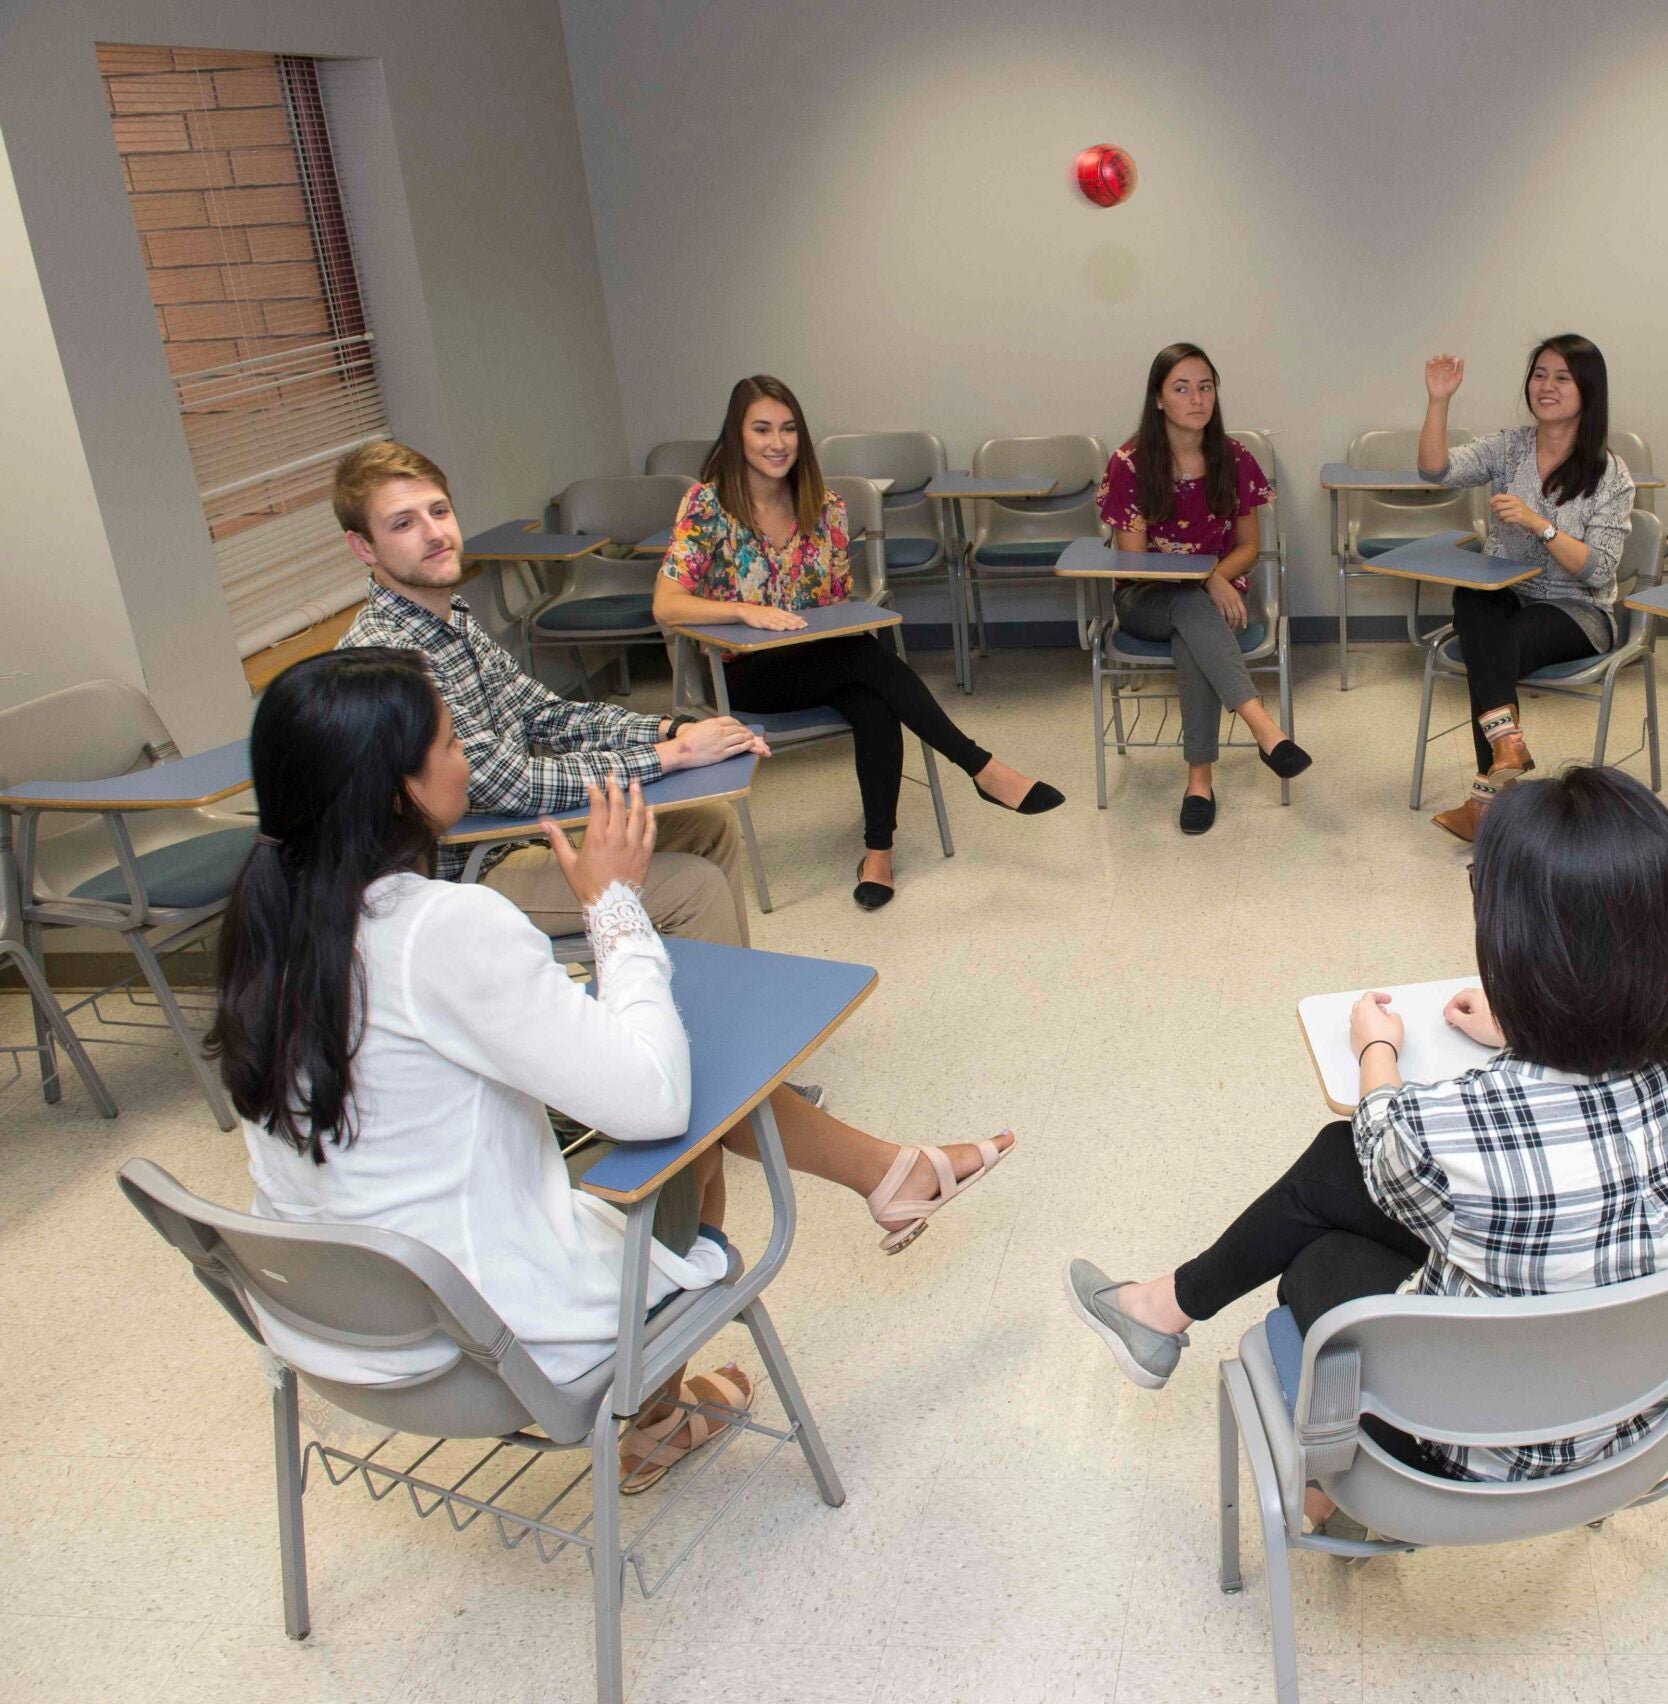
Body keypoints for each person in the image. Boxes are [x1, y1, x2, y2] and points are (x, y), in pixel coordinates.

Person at [212, 651, 1017, 1484]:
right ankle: (658, 1417)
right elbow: (656, 1103)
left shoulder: (266, 920)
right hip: (485, 1349)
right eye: (451, 746)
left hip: (332, 1335)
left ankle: (889, 1174)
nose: (465, 761)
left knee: (643, 1048)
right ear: (395, 790)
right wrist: (613, 907)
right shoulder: (441, 927)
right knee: (694, 1090)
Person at [1065, 767, 1668, 1515]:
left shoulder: (1461, 1128)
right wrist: (1536, 1023)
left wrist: (1376, 1048)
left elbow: (1381, 1136)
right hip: (1647, 1417)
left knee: (1319, 1249)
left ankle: (1319, 1480)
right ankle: (1163, 1308)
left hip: (1473, 1448)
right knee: (1336, 1167)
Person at [653, 375, 1062, 908]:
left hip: (825, 660)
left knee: (874, 698)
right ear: (736, 435)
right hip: (746, 674)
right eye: (761, 429)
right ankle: (981, 768)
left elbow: (839, 603)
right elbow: (666, 604)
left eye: (788, 429)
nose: (777, 443)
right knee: (868, 660)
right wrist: (743, 610)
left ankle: (879, 853)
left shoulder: (824, 505)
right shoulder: (706, 505)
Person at [336, 439, 765, 946]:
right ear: (363, 548)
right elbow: (504, 784)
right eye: (403, 524)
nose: (434, 534)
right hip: (458, 871)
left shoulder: (452, 618)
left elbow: (548, 716)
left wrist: (671, 728)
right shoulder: (385, 656)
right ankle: (678, 1021)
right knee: (690, 890)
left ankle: (680, 1005)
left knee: (707, 825)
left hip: (516, 833)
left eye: (439, 511)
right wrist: (670, 755)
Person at [1414, 336, 1637, 842]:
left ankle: (1487, 803)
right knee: (1472, 594)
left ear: (1588, 391)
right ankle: (1505, 748)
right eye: (1540, 374)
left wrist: (1541, 525)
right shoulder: (1509, 446)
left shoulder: (1610, 472)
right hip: (1506, 595)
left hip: (1577, 611)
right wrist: (1439, 400)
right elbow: (1436, 470)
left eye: (1562, 377)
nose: (1547, 386)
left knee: (1487, 649)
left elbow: (1599, 571)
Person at [1099, 343, 1311, 834]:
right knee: (1193, 607)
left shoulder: (1234, 458)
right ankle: (1265, 728)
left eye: (1206, 387)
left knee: (1192, 633)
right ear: (1158, 399)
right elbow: (1134, 563)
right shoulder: (1129, 463)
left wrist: (1212, 579)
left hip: (1208, 603)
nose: (1196, 398)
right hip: (1144, 598)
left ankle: (1199, 781)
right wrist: (1207, 577)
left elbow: (1250, 546)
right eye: (1181, 388)